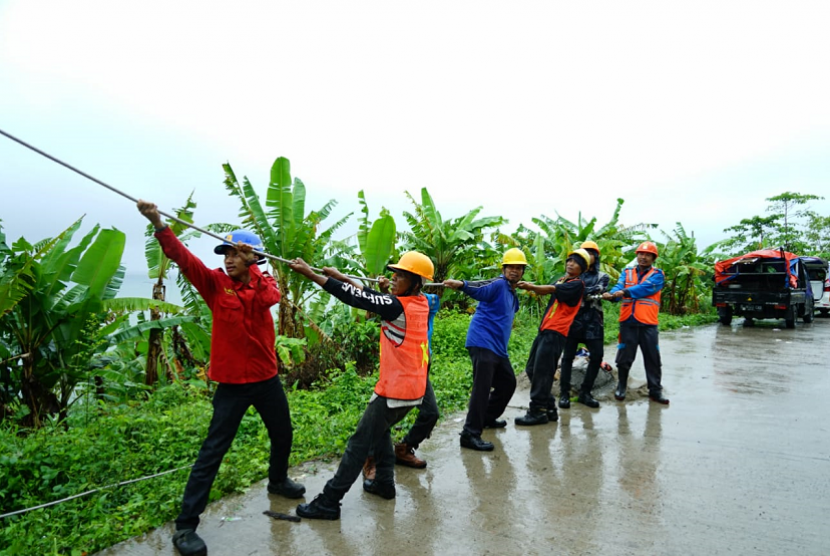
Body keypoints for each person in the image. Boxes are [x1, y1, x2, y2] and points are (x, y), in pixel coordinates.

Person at [137, 201, 304, 556]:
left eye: (235, 254)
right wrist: (158, 223)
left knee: (283, 432)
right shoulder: (214, 285)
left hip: (265, 379)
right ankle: (185, 527)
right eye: (225, 253)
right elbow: (184, 259)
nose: (228, 259)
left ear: (252, 258)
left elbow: (270, 298)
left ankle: (277, 480)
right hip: (231, 385)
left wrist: (256, 268)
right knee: (213, 451)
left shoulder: (265, 282)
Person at [288, 252, 434, 520]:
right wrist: (342, 277)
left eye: (400, 275)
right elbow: (372, 296)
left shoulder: (396, 306)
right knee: (381, 434)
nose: (393, 277)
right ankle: (384, 484)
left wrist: (311, 274)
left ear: (414, 282)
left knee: (358, 444)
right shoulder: (420, 303)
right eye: (394, 272)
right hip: (414, 390)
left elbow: (358, 298)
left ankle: (329, 501)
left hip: (395, 391)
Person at [443, 248, 526, 451]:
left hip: (498, 348)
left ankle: (487, 418)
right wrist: (462, 285)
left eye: (519, 268)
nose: (514, 271)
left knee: (507, 384)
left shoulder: (512, 293)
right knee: (482, 389)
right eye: (511, 267)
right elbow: (481, 288)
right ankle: (469, 434)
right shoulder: (498, 284)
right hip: (482, 342)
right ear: (504, 269)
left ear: (523, 271)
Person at [363, 288, 440, 479]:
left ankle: (404, 448)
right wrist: (383, 291)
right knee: (383, 418)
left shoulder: (427, 303)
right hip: (399, 370)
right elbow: (389, 304)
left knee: (431, 413)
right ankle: (370, 459)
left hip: (419, 368)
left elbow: (432, 301)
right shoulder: (397, 305)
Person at [514, 249, 590, 425]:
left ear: (582, 269)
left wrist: (531, 287)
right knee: (532, 369)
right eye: (569, 260)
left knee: (543, 372)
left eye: (576, 262)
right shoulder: (562, 280)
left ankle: (537, 411)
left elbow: (550, 289)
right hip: (545, 330)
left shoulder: (577, 284)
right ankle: (549, 407)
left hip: (556, 333)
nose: (570, 264)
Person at [602, 241, 670, 404]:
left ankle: (655, 390)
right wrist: (611, 295)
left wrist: (623, 292)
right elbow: (619, 286)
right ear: (637, 255)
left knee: (652, 358)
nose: (643, 257)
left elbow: (645, 288)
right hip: (628, 322)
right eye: (641, 254)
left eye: (647, 255)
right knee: (624, 358)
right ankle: (622, 387)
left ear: (653, 258)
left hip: (648, 323)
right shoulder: (627, 272)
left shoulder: (657, 275)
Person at [557, 241, 610, 409]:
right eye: (585, 252)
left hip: (594, 321)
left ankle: (585, 393)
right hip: (573, 319)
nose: (588, 255)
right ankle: (564, 393)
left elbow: (596, 289)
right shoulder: (572, 275)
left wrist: (578, 290)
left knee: (597, 356)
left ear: (596, 256)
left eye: (591, 252)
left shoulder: (602, 276)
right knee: (567, 357)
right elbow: (563, 291)